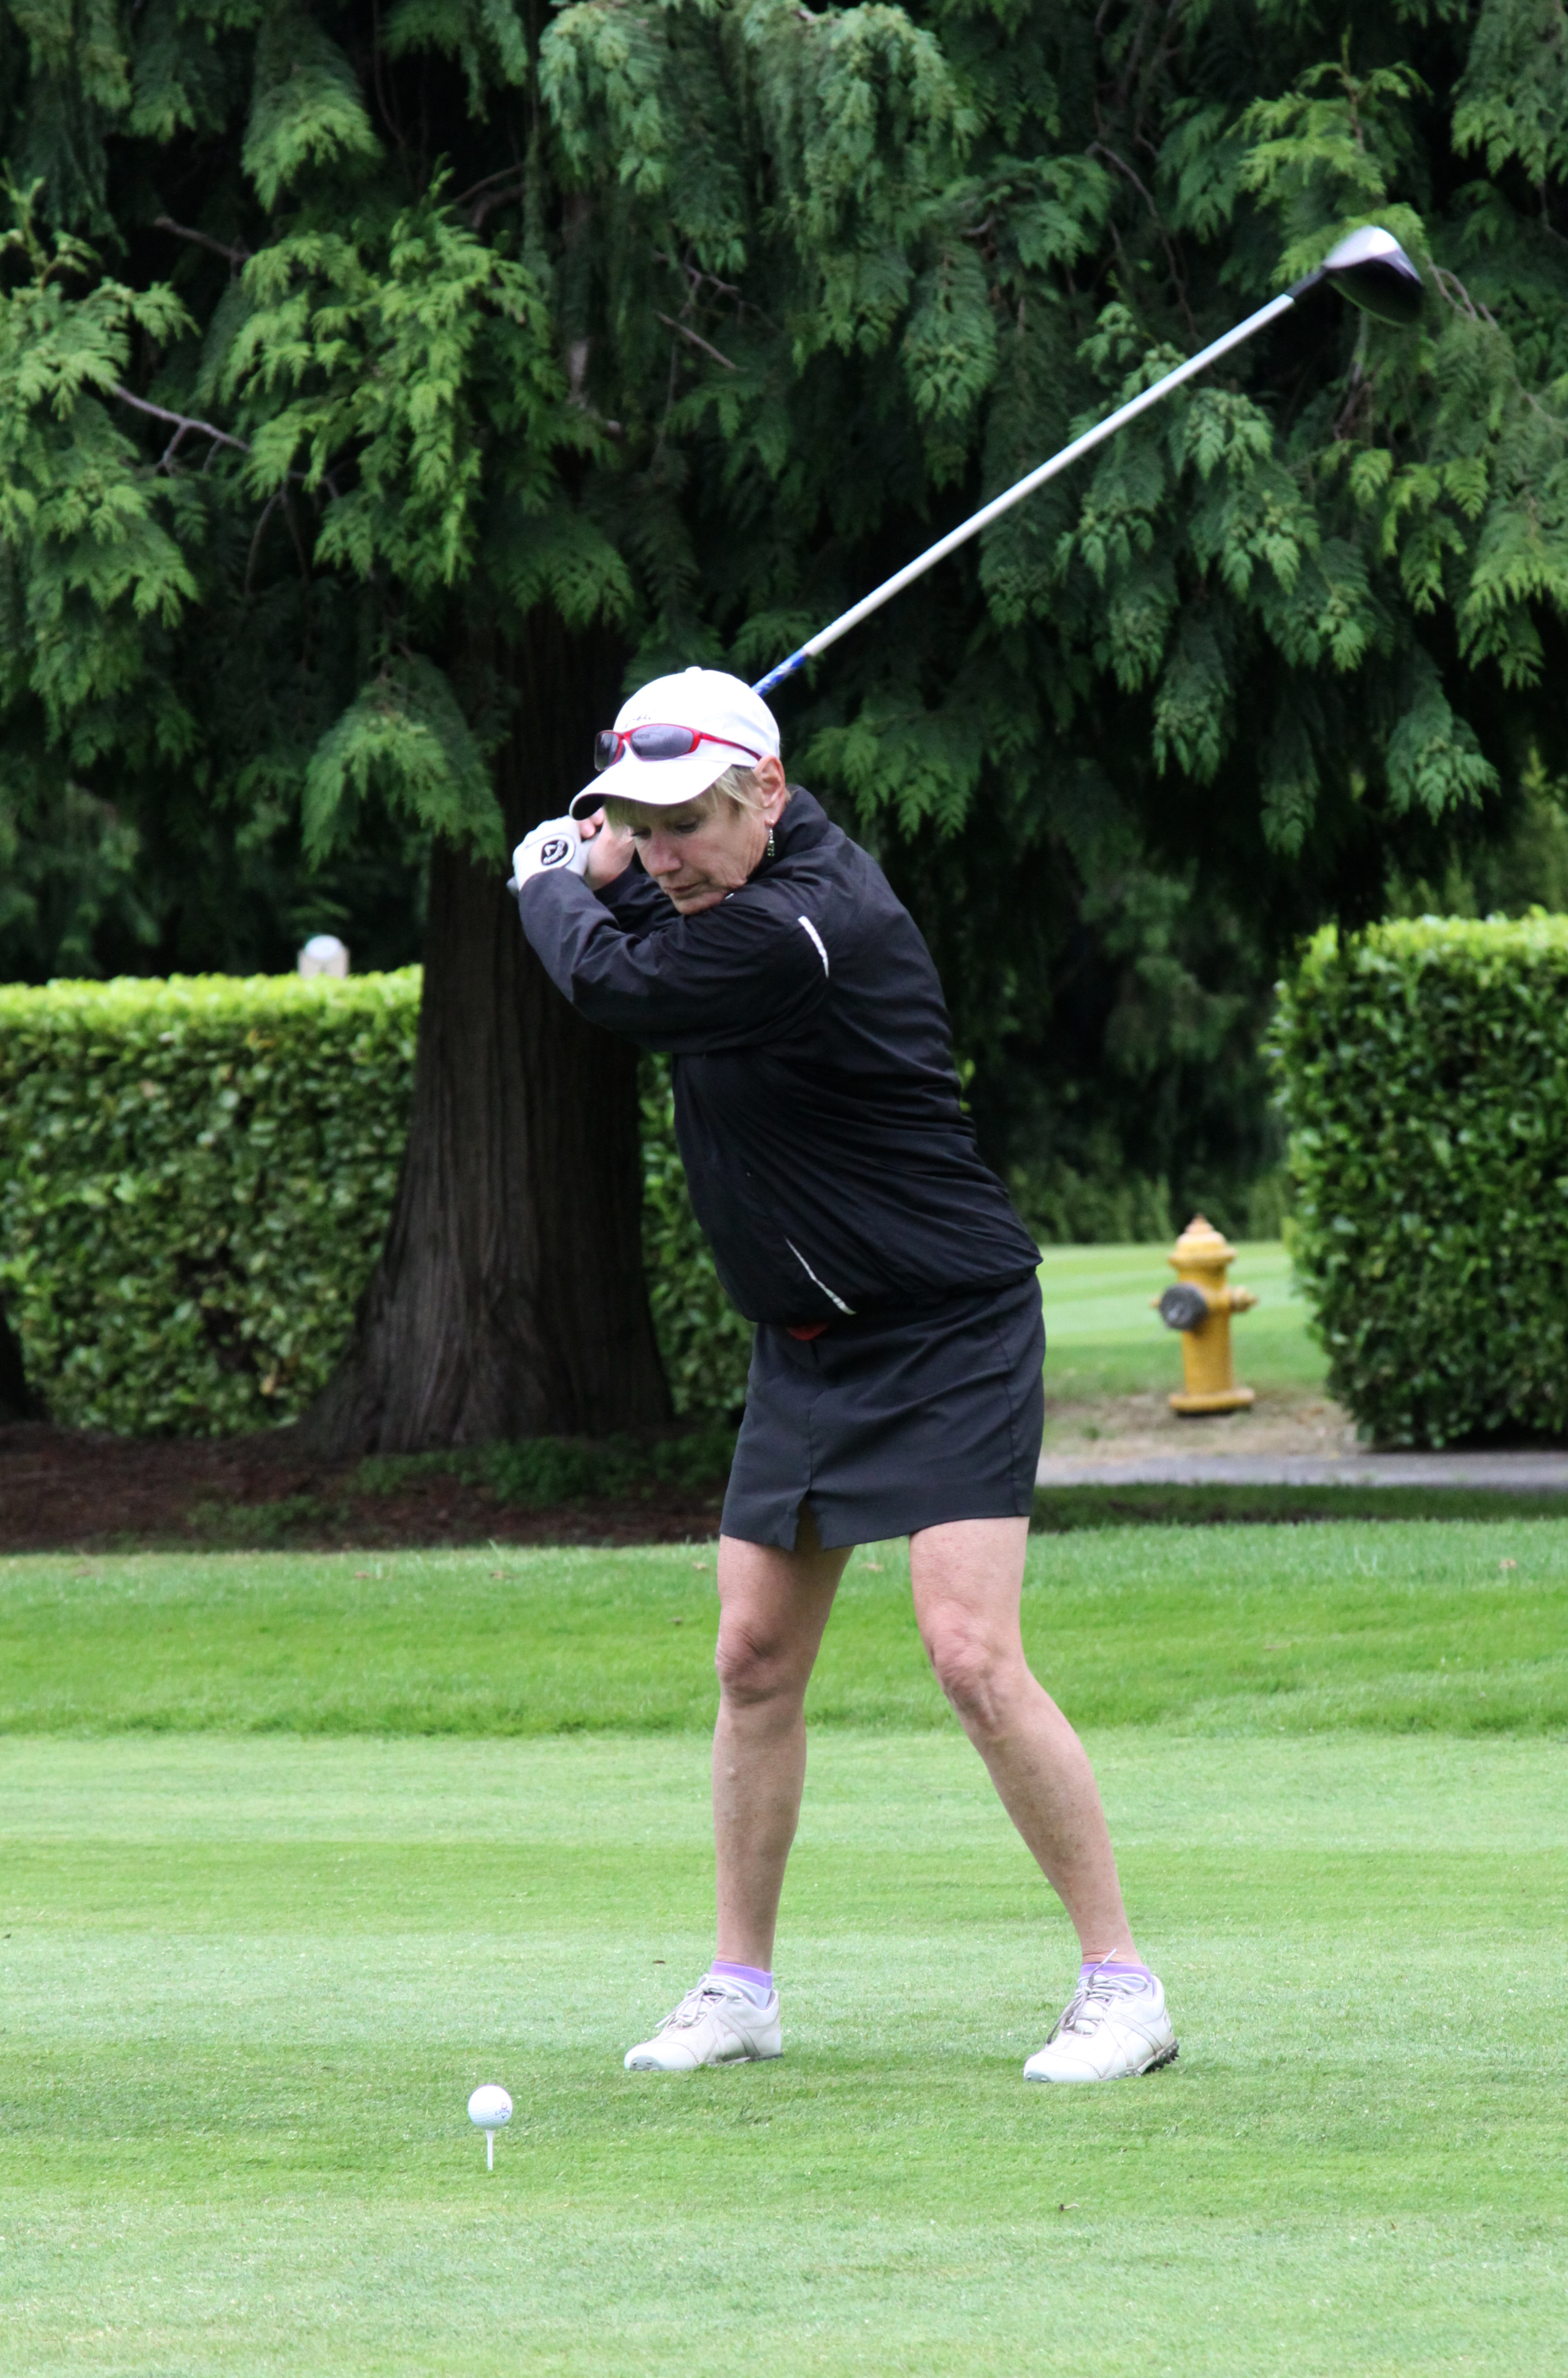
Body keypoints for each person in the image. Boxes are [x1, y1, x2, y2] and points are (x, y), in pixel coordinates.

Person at [511, 666, 1177, 2084]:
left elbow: (618, 981)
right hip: (807, 1345)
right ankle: (739, 1988)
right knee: (752, 1656)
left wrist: (550, 873)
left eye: (689, 824)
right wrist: (612, 863)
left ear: (768, 792)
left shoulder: (808, 924)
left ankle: (1123, 1987)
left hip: (946, 1328)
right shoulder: (728, 891)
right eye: (646, 825)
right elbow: (656, 924)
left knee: (970, 1653)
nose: (667, 856)